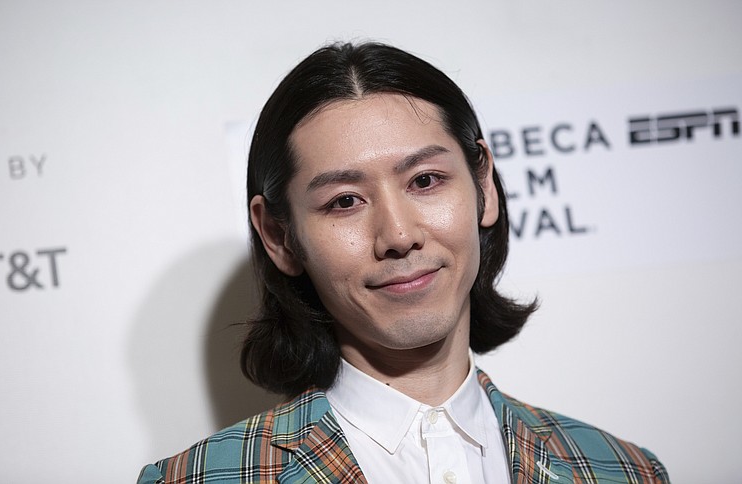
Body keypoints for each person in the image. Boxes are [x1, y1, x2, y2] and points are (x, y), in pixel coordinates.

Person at [138, 41, 669, 484]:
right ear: (280, 236)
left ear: (483, 185)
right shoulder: (198, 478)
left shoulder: (623, 471)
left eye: (425, 180)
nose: (397, 235)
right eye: (344, 201)